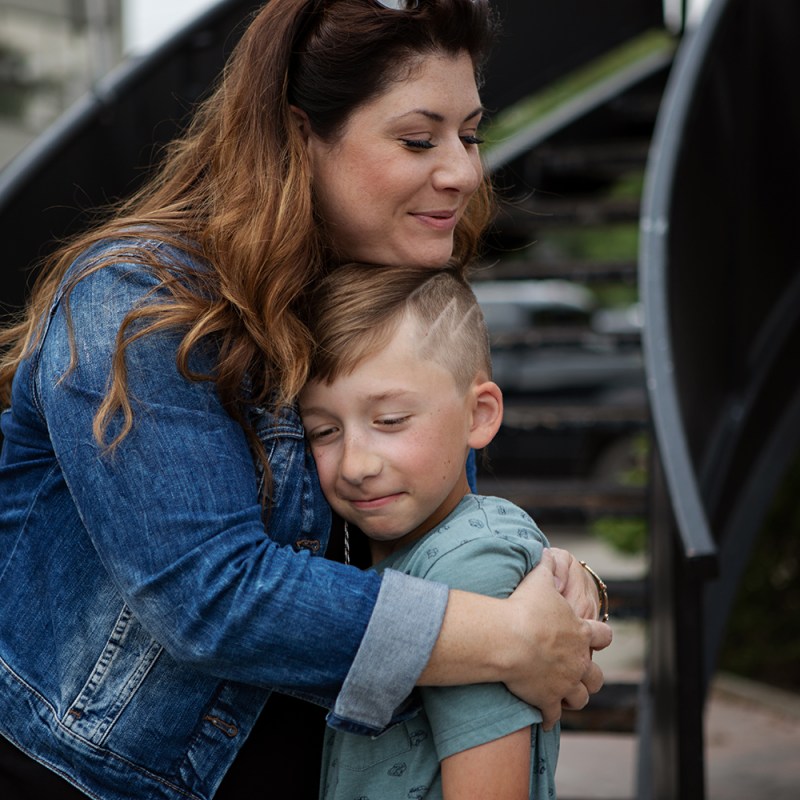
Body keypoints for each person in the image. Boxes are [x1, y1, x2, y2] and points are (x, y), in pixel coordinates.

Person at [0, 1, 611, 799]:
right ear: (298, 138)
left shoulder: (378, 301)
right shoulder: (137, 301)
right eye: (418, 138)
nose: (462, 170)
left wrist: (555, 585)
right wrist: (507, 635)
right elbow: (211, 596)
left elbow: (429, 523)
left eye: (470, 134)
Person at [300, 263, 580, 799]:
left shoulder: (472, 564)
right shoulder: (375, 553)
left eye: (390, 421)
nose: (356, 464)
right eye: (324, 431)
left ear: (479, 414)